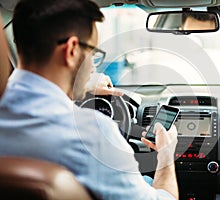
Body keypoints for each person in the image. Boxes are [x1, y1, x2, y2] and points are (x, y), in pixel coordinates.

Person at [0, 0, 179, 199]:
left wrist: (79, 84)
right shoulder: (91, 134)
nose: (93, 67)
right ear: (72, 51)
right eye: (93, 54)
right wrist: (166, 156)